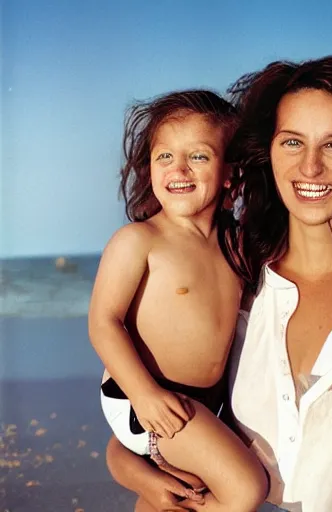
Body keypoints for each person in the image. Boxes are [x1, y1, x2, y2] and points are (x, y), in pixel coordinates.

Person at [105, 57, 332, 512]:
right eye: (292, 142)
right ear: (268, 152)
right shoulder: (238, 275)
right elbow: (158, 420)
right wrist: (127, 464)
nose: (311, 166)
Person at [88, 89, 268, 512]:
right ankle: (130, 460)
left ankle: (139, 476)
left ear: (231, 174)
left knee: (179, 490)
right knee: (245, 490)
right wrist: (145, 394)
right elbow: (103, 321)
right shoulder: (140, 241)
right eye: (164, 156)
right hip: (143, 395)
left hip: (206, 402)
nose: (178, 168)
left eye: (199, 156)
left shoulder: (237, 245)